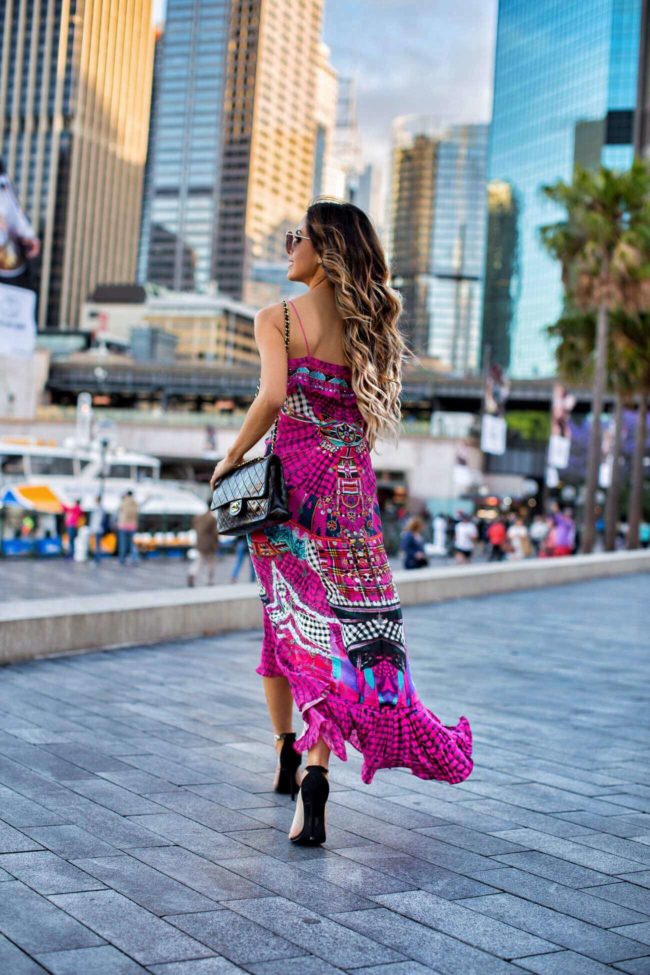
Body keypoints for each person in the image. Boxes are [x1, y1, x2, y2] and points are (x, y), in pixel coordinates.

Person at [209, 199, 473, 846]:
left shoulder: (278, 318)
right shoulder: (370, 329)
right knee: (332, 633)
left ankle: (288, 750)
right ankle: (311, 769)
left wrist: (231, 456)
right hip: (350, 502)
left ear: (324, 252)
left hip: (288, 498)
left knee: (288, 622)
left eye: (296, 236)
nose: (288, 246)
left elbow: (273, 396)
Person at [188, 504, 220, 586]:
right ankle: (208, 580)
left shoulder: (198, 517)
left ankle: (192, 573)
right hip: (209, 544)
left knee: (199, 561)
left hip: (200, 543)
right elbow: (215, 533)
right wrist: (217, 543)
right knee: (211, 562)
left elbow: (195, 527)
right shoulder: (212, 519)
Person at [117, 490, 139, 565]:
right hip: (132, 526)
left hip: (123, 526)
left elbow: (119, 509)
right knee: (132, 544)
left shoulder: (124, 501)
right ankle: (134, 559)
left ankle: (122, 559)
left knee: (122, 544)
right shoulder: (135, 503)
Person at [88, 495, 106, 564]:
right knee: (97, 544)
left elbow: (97, 520)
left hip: (96, 529)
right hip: (97, 529)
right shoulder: (100, 508)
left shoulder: (97, 509)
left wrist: (93, 529)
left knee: (96, 545)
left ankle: (96, 559)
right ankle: (97, 558)